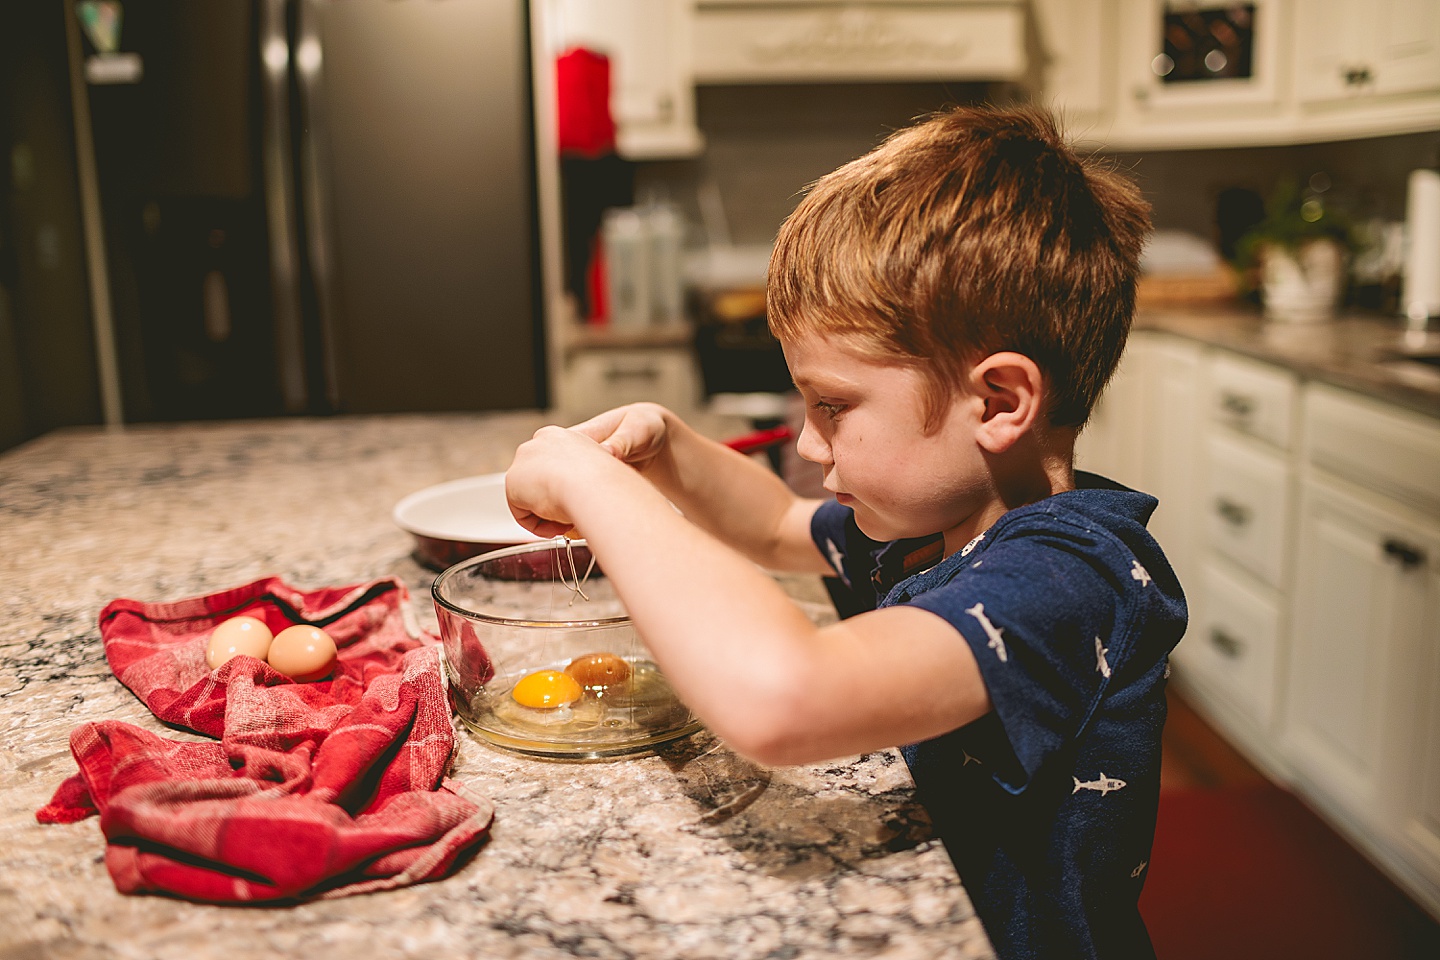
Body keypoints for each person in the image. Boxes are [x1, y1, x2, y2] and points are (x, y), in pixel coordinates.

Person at [505, 104, 1186, 959]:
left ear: (1000, 402)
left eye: (832, 405)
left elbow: (788, 696)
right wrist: (667, 445)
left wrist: (595, 489)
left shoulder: (1069, 579)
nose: (805, 440)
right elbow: (778, 524)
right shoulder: (931, 521)